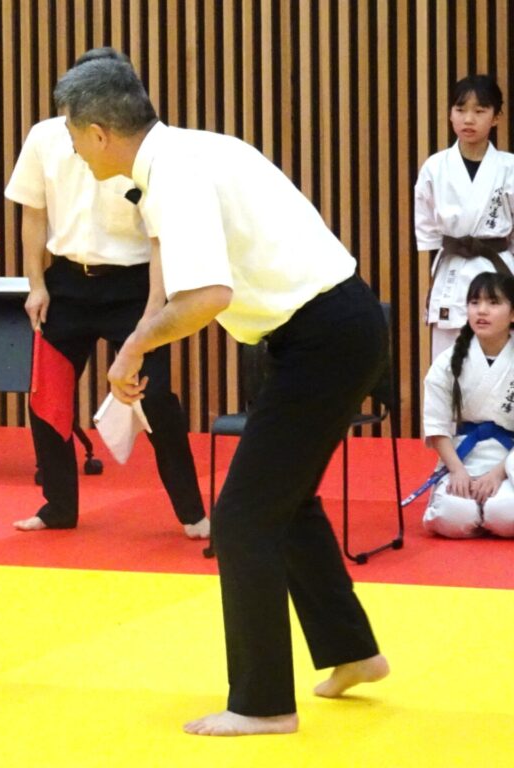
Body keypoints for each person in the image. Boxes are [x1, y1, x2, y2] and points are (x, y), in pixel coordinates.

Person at [53, 58, 390, 736]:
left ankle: (264, 703)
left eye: (70, 134)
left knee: (240, 517)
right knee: (283, 502)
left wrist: (133, 349)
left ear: (97, 133)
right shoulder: (185, 153)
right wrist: (138, 340)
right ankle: (354, 652)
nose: (71, 149)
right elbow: (167, 276)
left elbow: (208, 296)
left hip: (323, 336)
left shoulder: (175, 174)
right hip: (330, 329)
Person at [5, 47, 208, 538]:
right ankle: (58, 506)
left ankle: (193, 513)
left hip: (134, 285)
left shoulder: (142, 146)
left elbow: (159, 236)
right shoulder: (43, 138)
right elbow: (32, 213)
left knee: (155, 397)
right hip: (67, 283)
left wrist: (154, 310)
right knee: (48, 397)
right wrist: (36, 284)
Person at [415, 75, 514, 360]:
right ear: (450, 114)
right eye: (460, 109)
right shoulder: (435, 167)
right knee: (448, 360)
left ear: (496, 117)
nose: (468, 119)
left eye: (480, 111)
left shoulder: (509, 167)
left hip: (498, 267)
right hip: (452, 270)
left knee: (502, 358)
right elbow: (427, 230)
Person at [422, 271, 514, 538]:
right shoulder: (448, 361)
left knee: (506, 513)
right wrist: (457, 471)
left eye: (493, 302)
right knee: (453, 516)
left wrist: (498, 474)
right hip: (465, 455)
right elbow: (436, 426)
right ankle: (476, 512)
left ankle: (488, 513)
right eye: (475, 302)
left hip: (509, 459)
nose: (481, 310)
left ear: (512, 313)